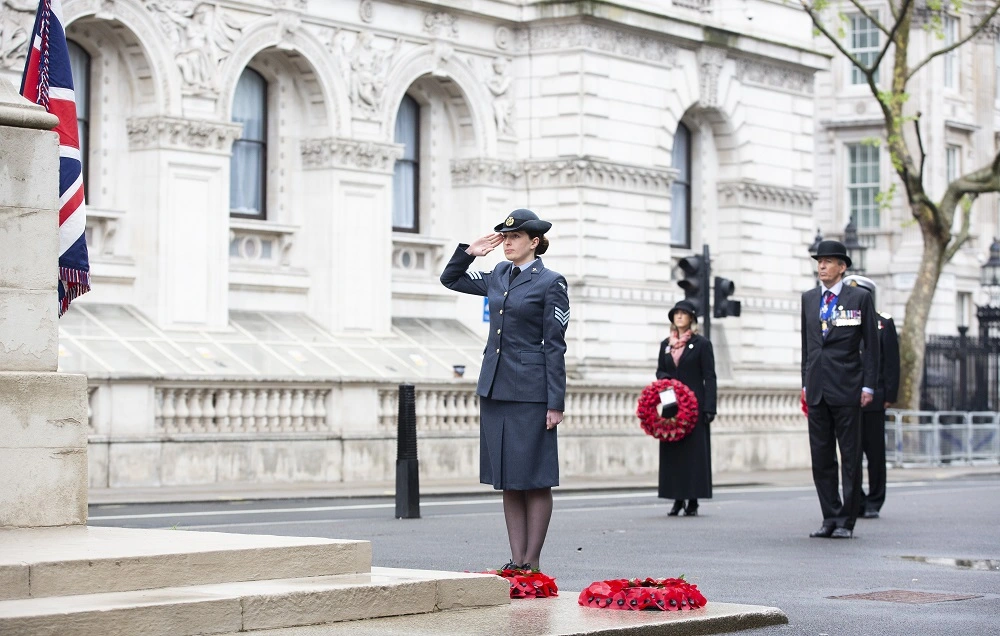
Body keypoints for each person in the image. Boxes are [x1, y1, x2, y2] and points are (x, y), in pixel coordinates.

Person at [439, 208, 569, 572]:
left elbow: (555, 346)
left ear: (535, 242)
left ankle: (533, 562)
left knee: (535, 477)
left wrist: (555, 401)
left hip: (531, 391)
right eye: (505, 237)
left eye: (515, 237)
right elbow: (450, 279)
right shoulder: (497, 274)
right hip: (496, 388)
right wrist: (470, 251)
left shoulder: (551, 282)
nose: (508, 243)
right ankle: (516, 560)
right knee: (508, 478)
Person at [801, 240, 879, 539]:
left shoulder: (858, 297)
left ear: (842, 267)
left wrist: (868, 384)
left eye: (828, 261)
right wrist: (805, 383)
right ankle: (829, 517)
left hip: (848, 388)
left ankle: (847, 520)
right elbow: (807, 345)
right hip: (817, 388)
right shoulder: (809, 299)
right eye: (819, 261)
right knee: (821, 457)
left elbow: (871, 346)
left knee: (849, 457)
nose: (822, 266)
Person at [843, 275, 900, 519]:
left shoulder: (883, 323)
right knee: (851, 452)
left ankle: (875, 500)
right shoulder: (843, 322)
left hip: (875, 398)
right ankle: (857, 499)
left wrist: (889, 394)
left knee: (875, 453)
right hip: (847, 397)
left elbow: (891, 363)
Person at [655, 299, 717, 517]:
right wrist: (666, 382)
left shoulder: (701, 344)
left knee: (693, 454)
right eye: (676, 313)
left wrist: (710, 408)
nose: (679, 316)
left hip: (694, 407)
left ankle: (693, 499)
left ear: (691, 318)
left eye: (683, 313)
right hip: (672, 405)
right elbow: (660, 372)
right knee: (674, 453)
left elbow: (709, 376)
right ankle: (676, 499)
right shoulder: (666, 344)